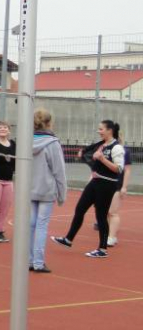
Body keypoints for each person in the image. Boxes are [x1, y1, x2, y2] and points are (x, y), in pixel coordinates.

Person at [52, 120, 125, 258]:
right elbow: (93, 157)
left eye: (101, 129)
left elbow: (118, 169)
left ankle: (102, 249)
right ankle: (68, 239)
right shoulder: (101, 145)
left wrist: (102, 159)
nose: (99, 131)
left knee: (101, 216)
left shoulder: (117, 148)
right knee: (80, 209)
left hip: (107, 184)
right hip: (95, 182)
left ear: (109, 130)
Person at [29, 109, 67, 273]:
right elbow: (59, 170)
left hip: (29, 189)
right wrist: (62, 193)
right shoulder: (52, 143)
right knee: (41, 226)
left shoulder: (25, 140)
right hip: (46, 189)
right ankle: (38, 262)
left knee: (30, 225)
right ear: (50, 123)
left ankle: (30, 261)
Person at [107, 139, 132, 247]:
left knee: (113, 212)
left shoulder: (124, 151)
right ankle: (111, 235)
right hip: (107, 183)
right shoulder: (107, 150)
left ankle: (111, 237)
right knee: (107, 212)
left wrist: (124, 187)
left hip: (117, 184)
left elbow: (127, 170)